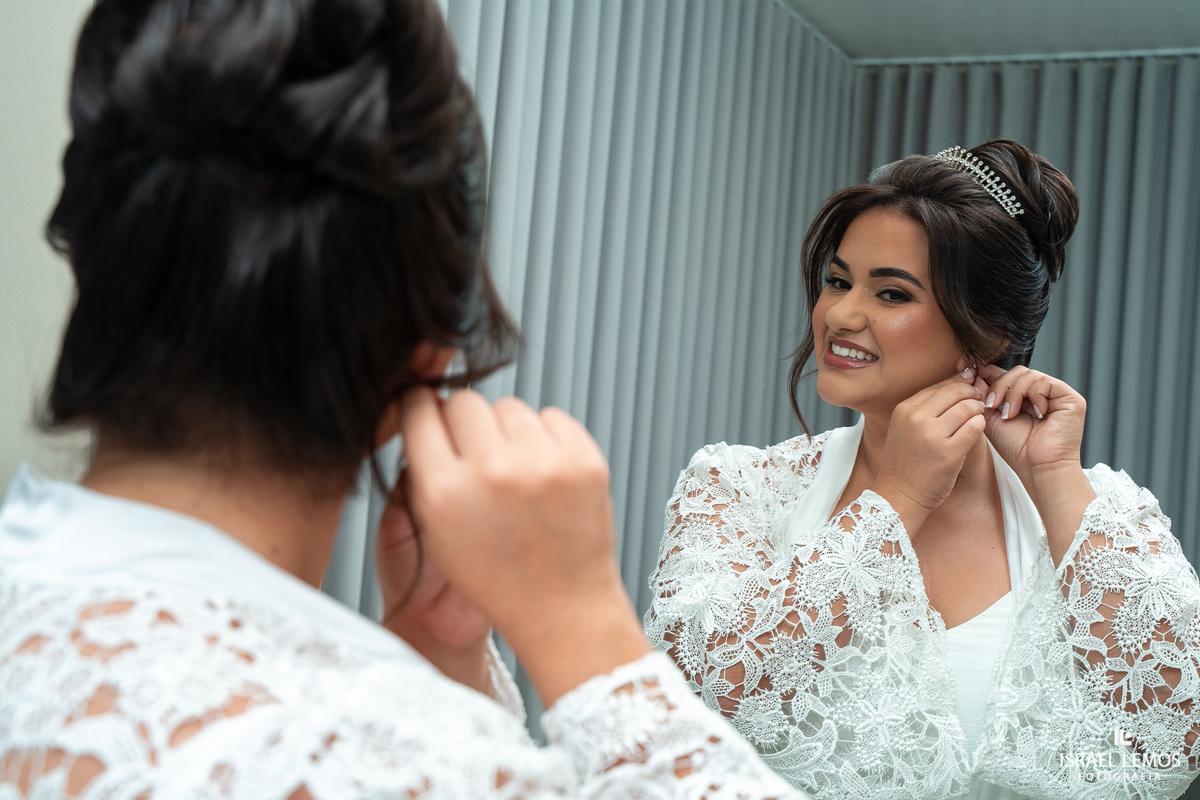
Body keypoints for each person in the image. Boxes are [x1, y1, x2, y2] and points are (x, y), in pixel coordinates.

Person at [0, 0, 808, 797]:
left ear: (91, 263)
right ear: (428, 353)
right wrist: (584, 630)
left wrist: (438, 649)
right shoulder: (386, 758)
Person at [644, 139, 1200, 800]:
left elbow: (1176, 727)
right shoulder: (738, 489)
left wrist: (1053, 477)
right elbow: (705, 691)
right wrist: (897, 497)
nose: (841, 316)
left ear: (988, 333)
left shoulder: (1104, 508)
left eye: (891, 293)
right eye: (838, 281)